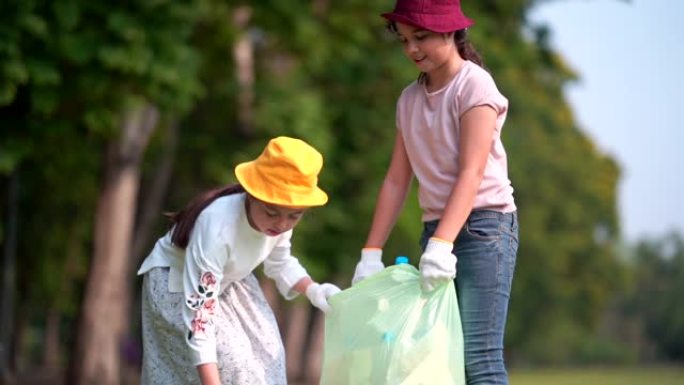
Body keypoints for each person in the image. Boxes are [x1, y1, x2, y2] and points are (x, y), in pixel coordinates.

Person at [351, 1, 519, 384]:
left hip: (485, 230)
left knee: (479, 359)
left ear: (450, 32)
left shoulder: (474, 85)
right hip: (436, 231)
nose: (412, 49)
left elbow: (471, 172)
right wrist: (370, 252)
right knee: (441, 360)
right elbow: (396, 180)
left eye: (421, 37)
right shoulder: (409, 99)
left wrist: (442, 245)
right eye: (405, 39)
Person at [137, 136, 341, 385]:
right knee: (235, 367)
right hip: (179, 285)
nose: (281, 224)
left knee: (269, 358)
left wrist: (313, 290)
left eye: (294, 216)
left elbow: (280, 263)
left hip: (230, 282)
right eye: (271, 212)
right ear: (253, 194)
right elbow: (200, 317)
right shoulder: (217, 227)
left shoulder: (281, 220)